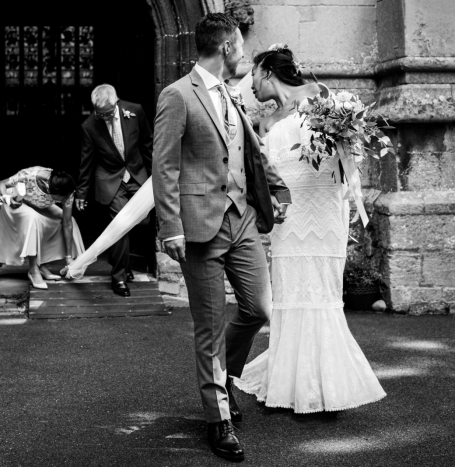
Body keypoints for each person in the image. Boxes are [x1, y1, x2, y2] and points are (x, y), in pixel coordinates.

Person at [153, 13, 291, 462]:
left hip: (243, 220)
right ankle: (218, 419)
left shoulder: (231, 95)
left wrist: (276, 189)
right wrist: (171, 226)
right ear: (229, 46)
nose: (245, 55)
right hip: (200, 227)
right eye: (242, 47)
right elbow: (165, 166)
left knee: (257, 308)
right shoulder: (177, 96)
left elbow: (248, 150)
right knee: (209, 327)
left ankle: (226, 379)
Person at [233, 45, 386, 413]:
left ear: (267, 72)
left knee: (323, 295)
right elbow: (267, 175)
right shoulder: (266, 122)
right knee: (289, 295)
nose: (250, 84)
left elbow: (348, 153)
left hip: (324, 213)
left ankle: (325, 386)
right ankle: (291, 381)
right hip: (289, 220)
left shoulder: (323, 100)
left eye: (252, 74)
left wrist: (355, 195)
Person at [75, 84, 153, 297]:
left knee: (143, 222)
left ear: (116, 103)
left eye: (108, 113)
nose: (105, 117)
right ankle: (118, 278)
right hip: (111, 180)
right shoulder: (89, 126)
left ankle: (121, 258)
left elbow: (147, 143)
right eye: (100, 114)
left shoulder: (135, 111)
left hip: (137, 175)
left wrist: (159, 176)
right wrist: (82, 192)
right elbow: (87, 161)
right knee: (120, 225)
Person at [0, 167, 85, 289]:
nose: (64, 201)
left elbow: (67, 223)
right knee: (34, 218)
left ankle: (43, 266)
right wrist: (7, 198)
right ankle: (33, 270)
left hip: (37, 203)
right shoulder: (29, 176)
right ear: (51, 191)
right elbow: (1, 183)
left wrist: (68, 258)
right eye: (61, 199)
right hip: (13, 201)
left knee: (67, 220)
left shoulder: (67, 191)